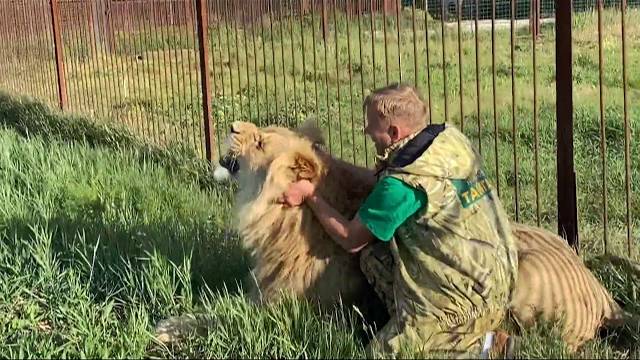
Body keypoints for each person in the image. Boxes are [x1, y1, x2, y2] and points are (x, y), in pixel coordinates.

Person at [279, 83, 519, 358]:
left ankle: (484, 346)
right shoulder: (447, 139)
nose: (367, 132)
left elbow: (350, 238)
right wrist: (331, 163)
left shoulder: (403, 185)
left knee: (383, 354)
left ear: (393, 132)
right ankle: (405, 315)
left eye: (372, 129)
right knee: (373, 255)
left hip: (466, 301)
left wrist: (310, 195)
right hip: (501, 271)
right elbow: (381, 184)